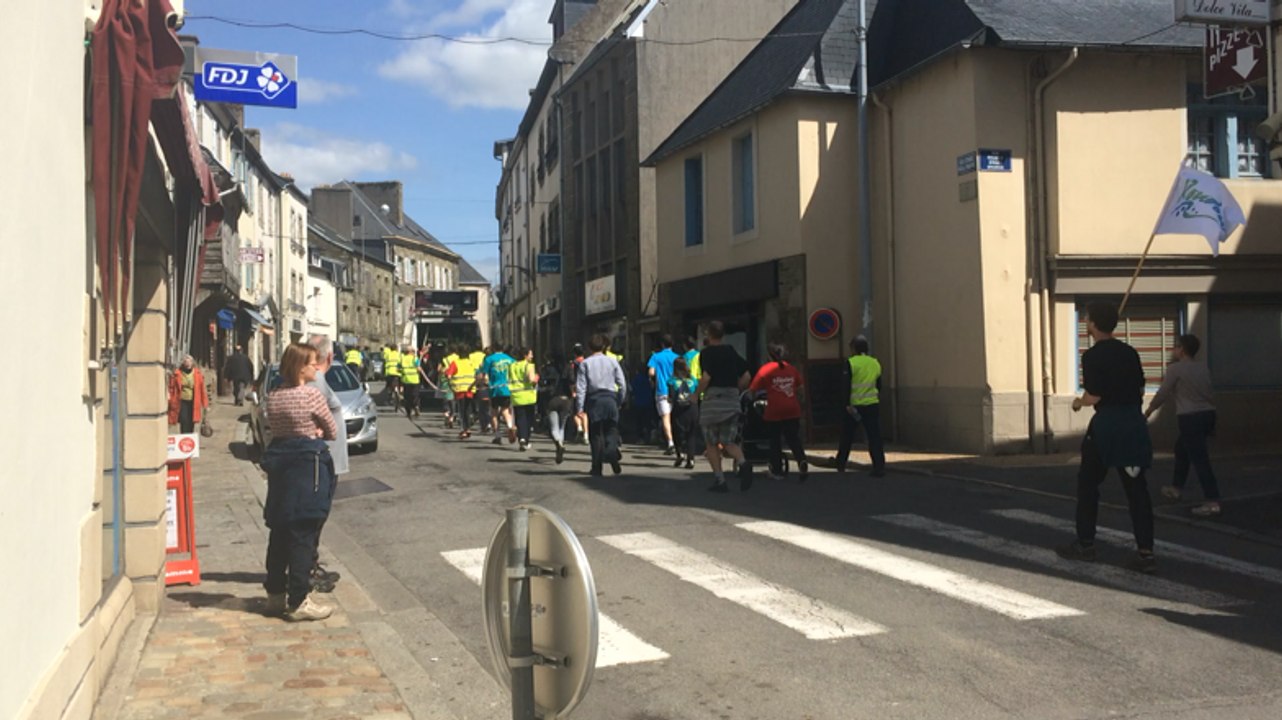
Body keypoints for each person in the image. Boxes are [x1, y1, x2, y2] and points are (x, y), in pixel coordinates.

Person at [1058, 301, 1157, 574]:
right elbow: (1139, 387)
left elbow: (1094, 395)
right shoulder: (1130, 353)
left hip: (1107, 427)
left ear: (1092, 323)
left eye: (1088, 319)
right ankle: (1146, 552)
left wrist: (1079, 403)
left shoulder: (1091, 357)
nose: (1086, 323)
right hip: (1133, 426)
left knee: (1088, 484)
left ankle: (1086, 544)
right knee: (1137, 491)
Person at [260, 343, 338, 622]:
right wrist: (314, 430)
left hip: (280, 463)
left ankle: (275, 595)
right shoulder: (311, 396)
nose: (316, 367)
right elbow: (331, 430)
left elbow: (275, 428)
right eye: (313, 363)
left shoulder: (275, 395)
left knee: (280, 531)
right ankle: (299, 600)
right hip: (308, 464)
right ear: (300, 366)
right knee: (303, 532)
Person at [1145, 333, 1221, 517]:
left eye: (1176, 346)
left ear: (1182, 350)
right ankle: (1176, 487)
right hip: (1207, 414)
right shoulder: (1202, 368)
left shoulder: (1175, 369)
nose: (1174, 350)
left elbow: (1163, 393)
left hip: (1189, 417)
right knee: (1181, 448)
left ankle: (1212, 501)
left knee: (1199, 458)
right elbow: (1210, 392)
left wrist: (1148, 412)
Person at [305, 335, 347, 593]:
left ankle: (311, 564)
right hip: (324, 459)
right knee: (316, 516)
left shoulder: (317, 380)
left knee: (317, 517)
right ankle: (309, 568)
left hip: (326, 458)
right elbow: (315, 417)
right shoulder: (317, 381)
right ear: (329, 357)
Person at [696, 321, 753, 492]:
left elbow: (706, 378)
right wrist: (736, 389)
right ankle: (743, 463)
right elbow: (747, 376)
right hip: (731, 399)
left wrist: (695, 394)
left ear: (709, 334)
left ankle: (720, 480)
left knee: (711, 442)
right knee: (728, 441)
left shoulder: (706, 354)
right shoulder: (730, 351)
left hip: (713, 400)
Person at [750, 343, 810, 482]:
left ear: (769, 356)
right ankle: (801, 461)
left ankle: (776, 470)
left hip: (775, 409)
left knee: (775, 440)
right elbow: (800, 388)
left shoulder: (766, 369)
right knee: (793, 438)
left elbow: (753, 388)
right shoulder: (791, 369)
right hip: (792, 408)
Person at [576, 334, 628, 476]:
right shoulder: (612, 362)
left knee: (596, 434)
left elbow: (581, 387)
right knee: (611, 429)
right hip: (611, 398)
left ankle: (597, 467)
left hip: (594, 400)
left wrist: (579, 408)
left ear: (589, 347)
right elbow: (622, 384)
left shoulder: (585, 364)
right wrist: (620, 400)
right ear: (604, 346)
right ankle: (611, 452)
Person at [835, 336, 886, 477]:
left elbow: (845, 385)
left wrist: (845, 403)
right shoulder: (875, 362)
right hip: (872, 404)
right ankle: (879, 466)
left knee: (847, 436)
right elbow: (879, 384)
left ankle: (840, 464)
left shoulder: (851, 363)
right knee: (874, 436)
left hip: (854, 406)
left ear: (854, 349)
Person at [648, 335, 679, 454]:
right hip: (676, 390)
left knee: (665, 418)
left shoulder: (656, 357)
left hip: (662, 390)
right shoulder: (677, 357)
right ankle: (679, 442)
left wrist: (653, 380)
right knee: (675, 418)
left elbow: (651, 372)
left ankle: (670, 442)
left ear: (662, 344)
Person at [480, 345, 518, 445]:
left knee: (494, 413)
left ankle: (497, 435)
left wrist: (485, 383)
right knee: (505, 410)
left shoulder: (489, 359)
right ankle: (510, 427)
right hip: (507, 388)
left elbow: (485, 376)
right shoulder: (510, 359)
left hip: (494, 389)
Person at [667, 357, 700, 470]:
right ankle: (691, 459)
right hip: (692, 409)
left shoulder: (672, 381)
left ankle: (680, 453)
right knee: (691, 434)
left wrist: (669, 399)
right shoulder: (693, 380)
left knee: (677, 433)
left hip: (678, 411)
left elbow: (671, 397)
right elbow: (698, 394)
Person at [168, 355, 209, 434]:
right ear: (183, 363)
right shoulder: (178, 373)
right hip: (181, 400)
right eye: (186, 362)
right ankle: (183, 436)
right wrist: (169, 398)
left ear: (192, 363)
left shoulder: (197, 374)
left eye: (189, 361)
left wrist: (205, 404)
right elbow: (172, 387)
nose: (188, 364)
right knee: (183, 420)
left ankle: (190, 437)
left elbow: (202, 390)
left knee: (191, 420)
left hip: (193, 401)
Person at [510, 347, 540, 451]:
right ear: (525, 355)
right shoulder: (529, 366)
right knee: (529, 419)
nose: (532, 356)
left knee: (519, 418)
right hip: (528, 396)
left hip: (516, 396)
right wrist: (536, 379)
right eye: (530, 354)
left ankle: (521, 437)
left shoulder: (512, 366)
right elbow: (531, 379)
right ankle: (525, 439)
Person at [447, 346, 479, 438]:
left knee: (462, 411)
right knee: (468, 410)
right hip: (470, 390)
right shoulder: (472, 363)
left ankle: (464, 429)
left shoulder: (455, 363)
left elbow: (448, 375)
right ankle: (468, 428)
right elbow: (477, 374)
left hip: (459, 390)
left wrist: (451, 385)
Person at [569, 344, 589, 444]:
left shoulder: (573, 364)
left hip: (577, 389)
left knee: (575, 413)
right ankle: (586, 434)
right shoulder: (587, 362)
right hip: (587, 389)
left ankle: (579, 427)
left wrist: (573, 391)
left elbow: (571, 378)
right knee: (584, 413)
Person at [399, 344, 424, 418]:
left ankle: (408, 412)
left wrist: (403, 372)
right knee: (415, 395)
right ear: (410, 352)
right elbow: (419, 369)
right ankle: (416, 405)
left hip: (406, 380)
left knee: (407, 397)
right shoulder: (415, 359)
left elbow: (398, 368)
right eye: (413, 351)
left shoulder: (402, 359)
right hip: (415, 380)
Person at [439, 345, 460, 429]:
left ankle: (446, 413)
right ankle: (452, 416)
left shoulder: (445, 359)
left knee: (446, 399)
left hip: (445, 379)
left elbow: (439, 369)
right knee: (454, 400)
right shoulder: (459, 358)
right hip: (456, 380)